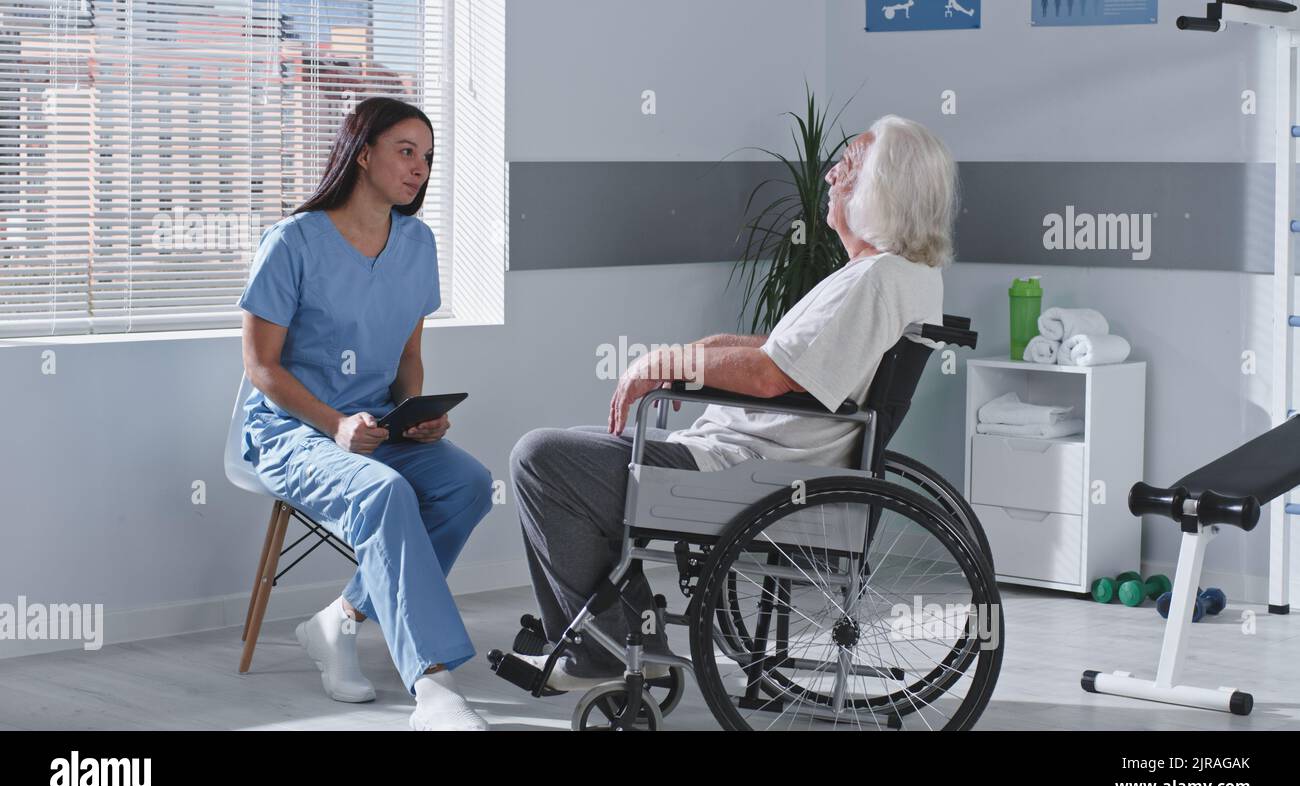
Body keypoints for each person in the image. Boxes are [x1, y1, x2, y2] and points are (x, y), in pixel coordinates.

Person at [509, 115, 956, 690]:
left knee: (542, 459)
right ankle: (621, 636)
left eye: (846, 167)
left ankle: (605, 648)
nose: (829, 175)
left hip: (750, 473)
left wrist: (664, 364)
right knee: (572, 452)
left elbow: (772, 376)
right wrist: (703, 349)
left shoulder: (875, 281)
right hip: (753, 460)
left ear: (882, 189)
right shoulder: (895, 276)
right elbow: (788, 356)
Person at [238, 96, 493, 731]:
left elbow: (409, 353)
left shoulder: (417, 242)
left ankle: (341, 620)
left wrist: (415, 414)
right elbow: (261, 367)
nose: (420, 168)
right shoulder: (292, 242)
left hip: (377, 424)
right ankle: (433, 687)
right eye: (406, 151)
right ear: (362, 154)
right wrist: (335, 425)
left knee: (465, 484)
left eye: (428, 157)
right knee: (384, 493)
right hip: (292, 429)